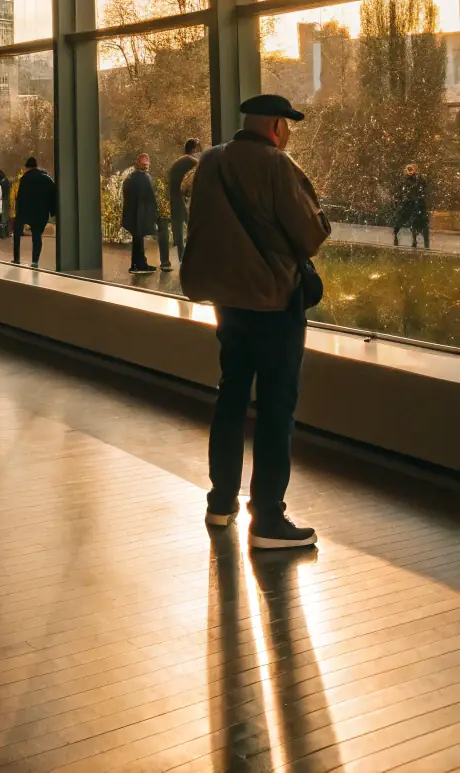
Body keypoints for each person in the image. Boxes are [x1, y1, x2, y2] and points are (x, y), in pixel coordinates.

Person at [180, 94, 330, 551]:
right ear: (275, 126)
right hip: (273, 302)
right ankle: (267, 518)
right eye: (288, 126)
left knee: (231, 395)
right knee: (276, 407)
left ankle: (221, 500)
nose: (289, 134)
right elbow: (309, 234)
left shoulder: (210, 161)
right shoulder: (277, 165)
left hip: (228, 302)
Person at [13, 157, 56, 267]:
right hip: (41, 212)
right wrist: (53, 212)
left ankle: (17, 258)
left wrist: (18, 213)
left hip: (25, 211)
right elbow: (53, 196)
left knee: (17, 234)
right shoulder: (47, 179)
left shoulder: (25, 178)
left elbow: (20, 197)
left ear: (27, 167)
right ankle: (35, 261)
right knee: (37, 236)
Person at [122, 153, 159, 273]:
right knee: (138, 239)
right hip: (141, 213)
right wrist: (154, 213)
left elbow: (125, 194)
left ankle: (136, 264)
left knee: (137, 239)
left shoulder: (130, 177)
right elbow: (151, 197)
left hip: (131, 213)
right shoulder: (145, 178)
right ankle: (140, 264)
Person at [168, 139, 201, 261]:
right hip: (189, 202)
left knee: (179, 233)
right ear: (194, 149)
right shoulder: (195, 163)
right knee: (194, 230)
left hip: (175, 201)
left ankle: (181, 258)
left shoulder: (175, 164)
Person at [392, 163, 430, 248]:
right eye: (408, 169)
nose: (410, 171)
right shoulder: (405, 180)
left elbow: (423, 187)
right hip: (407, 203)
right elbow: (400, 190)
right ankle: (396, 235)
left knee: (415, 222)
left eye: (411, 169)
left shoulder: (418, 179)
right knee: (400, 219)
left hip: (415, 203)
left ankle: (415, 240)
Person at [0, 168, 12, 239]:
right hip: (7, 200)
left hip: (1, 201)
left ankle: (2, 234)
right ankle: (7, 233)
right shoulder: (7, 181)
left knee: (1, 218)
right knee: (5, 218)